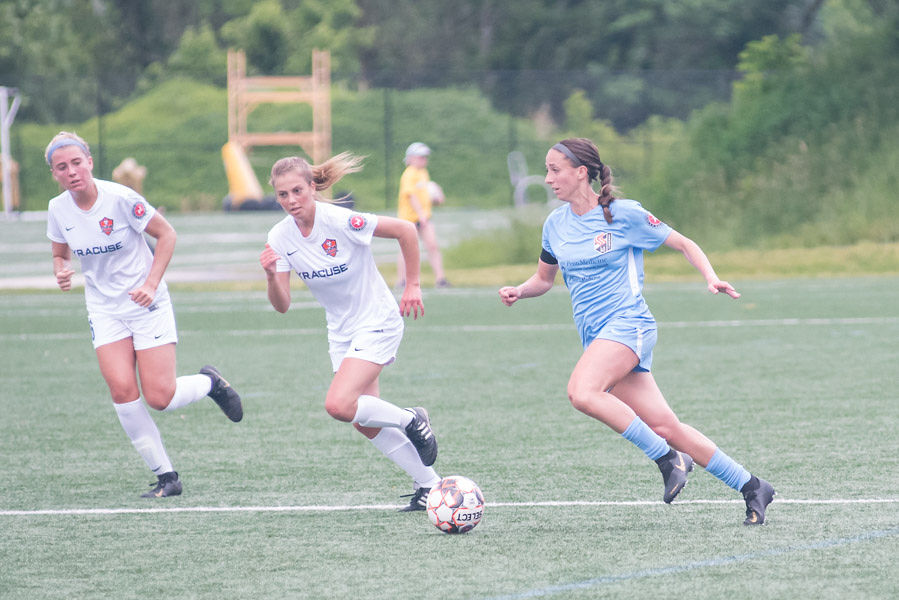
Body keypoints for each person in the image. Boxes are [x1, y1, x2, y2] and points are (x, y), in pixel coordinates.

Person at [498, 138, 775, 525]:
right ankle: (752, 486)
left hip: (629, 324)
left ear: (581, 172)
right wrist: (520, 290)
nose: (547, 179)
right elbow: (544, 279)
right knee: (665, 426)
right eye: (546, 170)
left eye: (555, 170)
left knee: (582, 392)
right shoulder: (554, 225)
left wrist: (711, 276)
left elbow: (683, 243)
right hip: (598, 339)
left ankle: (667, 459)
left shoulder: (623, 215)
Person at [44, 131, 243, 498]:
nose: (71, 171)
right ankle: (167, 477)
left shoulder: (120, 199)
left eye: (76, 163)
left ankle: (210, 384)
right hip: (104, 309)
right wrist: (61, 269)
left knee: (160, 397)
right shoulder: (58, 210)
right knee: (122, 390)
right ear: (54, 174)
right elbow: (60, 253)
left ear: (89, 162)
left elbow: (167, 235)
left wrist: (151, 284)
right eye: (62, 167)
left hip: (146, 304)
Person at [259, 153, 441, 511]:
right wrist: (269, 276)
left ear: (312, 187)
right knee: (363, 421)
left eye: (297, 190)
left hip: (377, 320)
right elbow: (282, 305)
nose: (291, 200)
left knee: (339, 404)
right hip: (341, 331)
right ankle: (430, 485)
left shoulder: (340, 220)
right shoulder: (279, 237)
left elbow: (405, 230)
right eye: (282, 194)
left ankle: (411, 418)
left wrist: (413, 285)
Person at [395, 142, 450, 288]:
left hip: (424, 217)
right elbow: (410, 195)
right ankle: (402, 280)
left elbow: (423, 195)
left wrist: (435, 200)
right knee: (406, 250)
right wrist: (420, 215)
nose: (424, 160)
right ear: (411, 158)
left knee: (432, 246)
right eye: (421, 157)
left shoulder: (423, 173)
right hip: (409, 219)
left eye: (425, 157)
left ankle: (440, 279)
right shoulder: (409, 174)